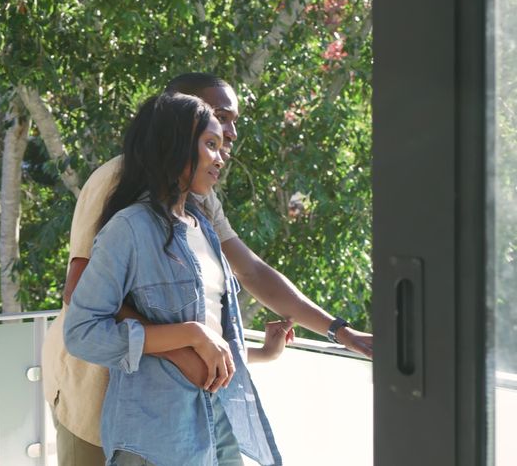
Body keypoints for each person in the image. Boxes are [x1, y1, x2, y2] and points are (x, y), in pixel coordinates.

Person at [42, 73, 372, 466]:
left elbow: (250, 273)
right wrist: (184, 345)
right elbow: (83, 300)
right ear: (175, 124)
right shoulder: (118, 187)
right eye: (216, 122)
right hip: (97, 394)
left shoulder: (198, 207)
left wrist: (338, 331)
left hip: (188, 414)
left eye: (229, 126)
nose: (229, 138)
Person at [63, 92, 280, 465]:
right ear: (176, 147)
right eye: (210, 144)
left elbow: (216, 330)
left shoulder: (203, 227)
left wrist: (263, 353)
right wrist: (190, 334)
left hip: (218, 421)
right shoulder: (129, 228)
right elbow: (82, 333)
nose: (222, 155)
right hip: (156, 435)